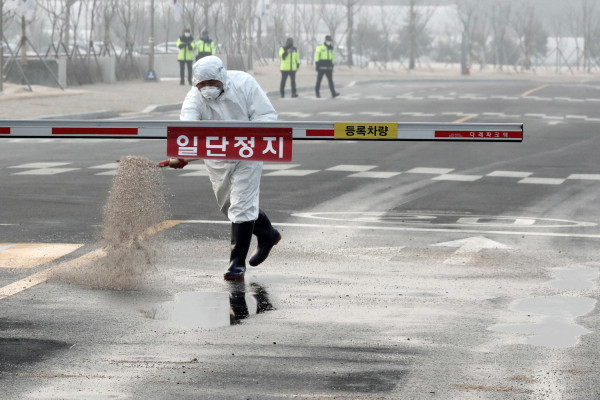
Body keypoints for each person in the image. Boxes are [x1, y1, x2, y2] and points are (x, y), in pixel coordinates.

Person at [173, 56, 282, 281]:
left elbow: (266, 116)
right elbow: (188, 129)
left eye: (213, 83)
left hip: (247, 151)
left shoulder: (244, 83)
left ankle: (236, 263)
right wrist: (183, 154)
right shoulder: (194, 98)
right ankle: (268, 234)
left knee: (242, 205)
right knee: (229, 205)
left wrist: (248, 137)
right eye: (202, 85)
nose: (208, 89)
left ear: (223, 77)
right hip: (217, 158)